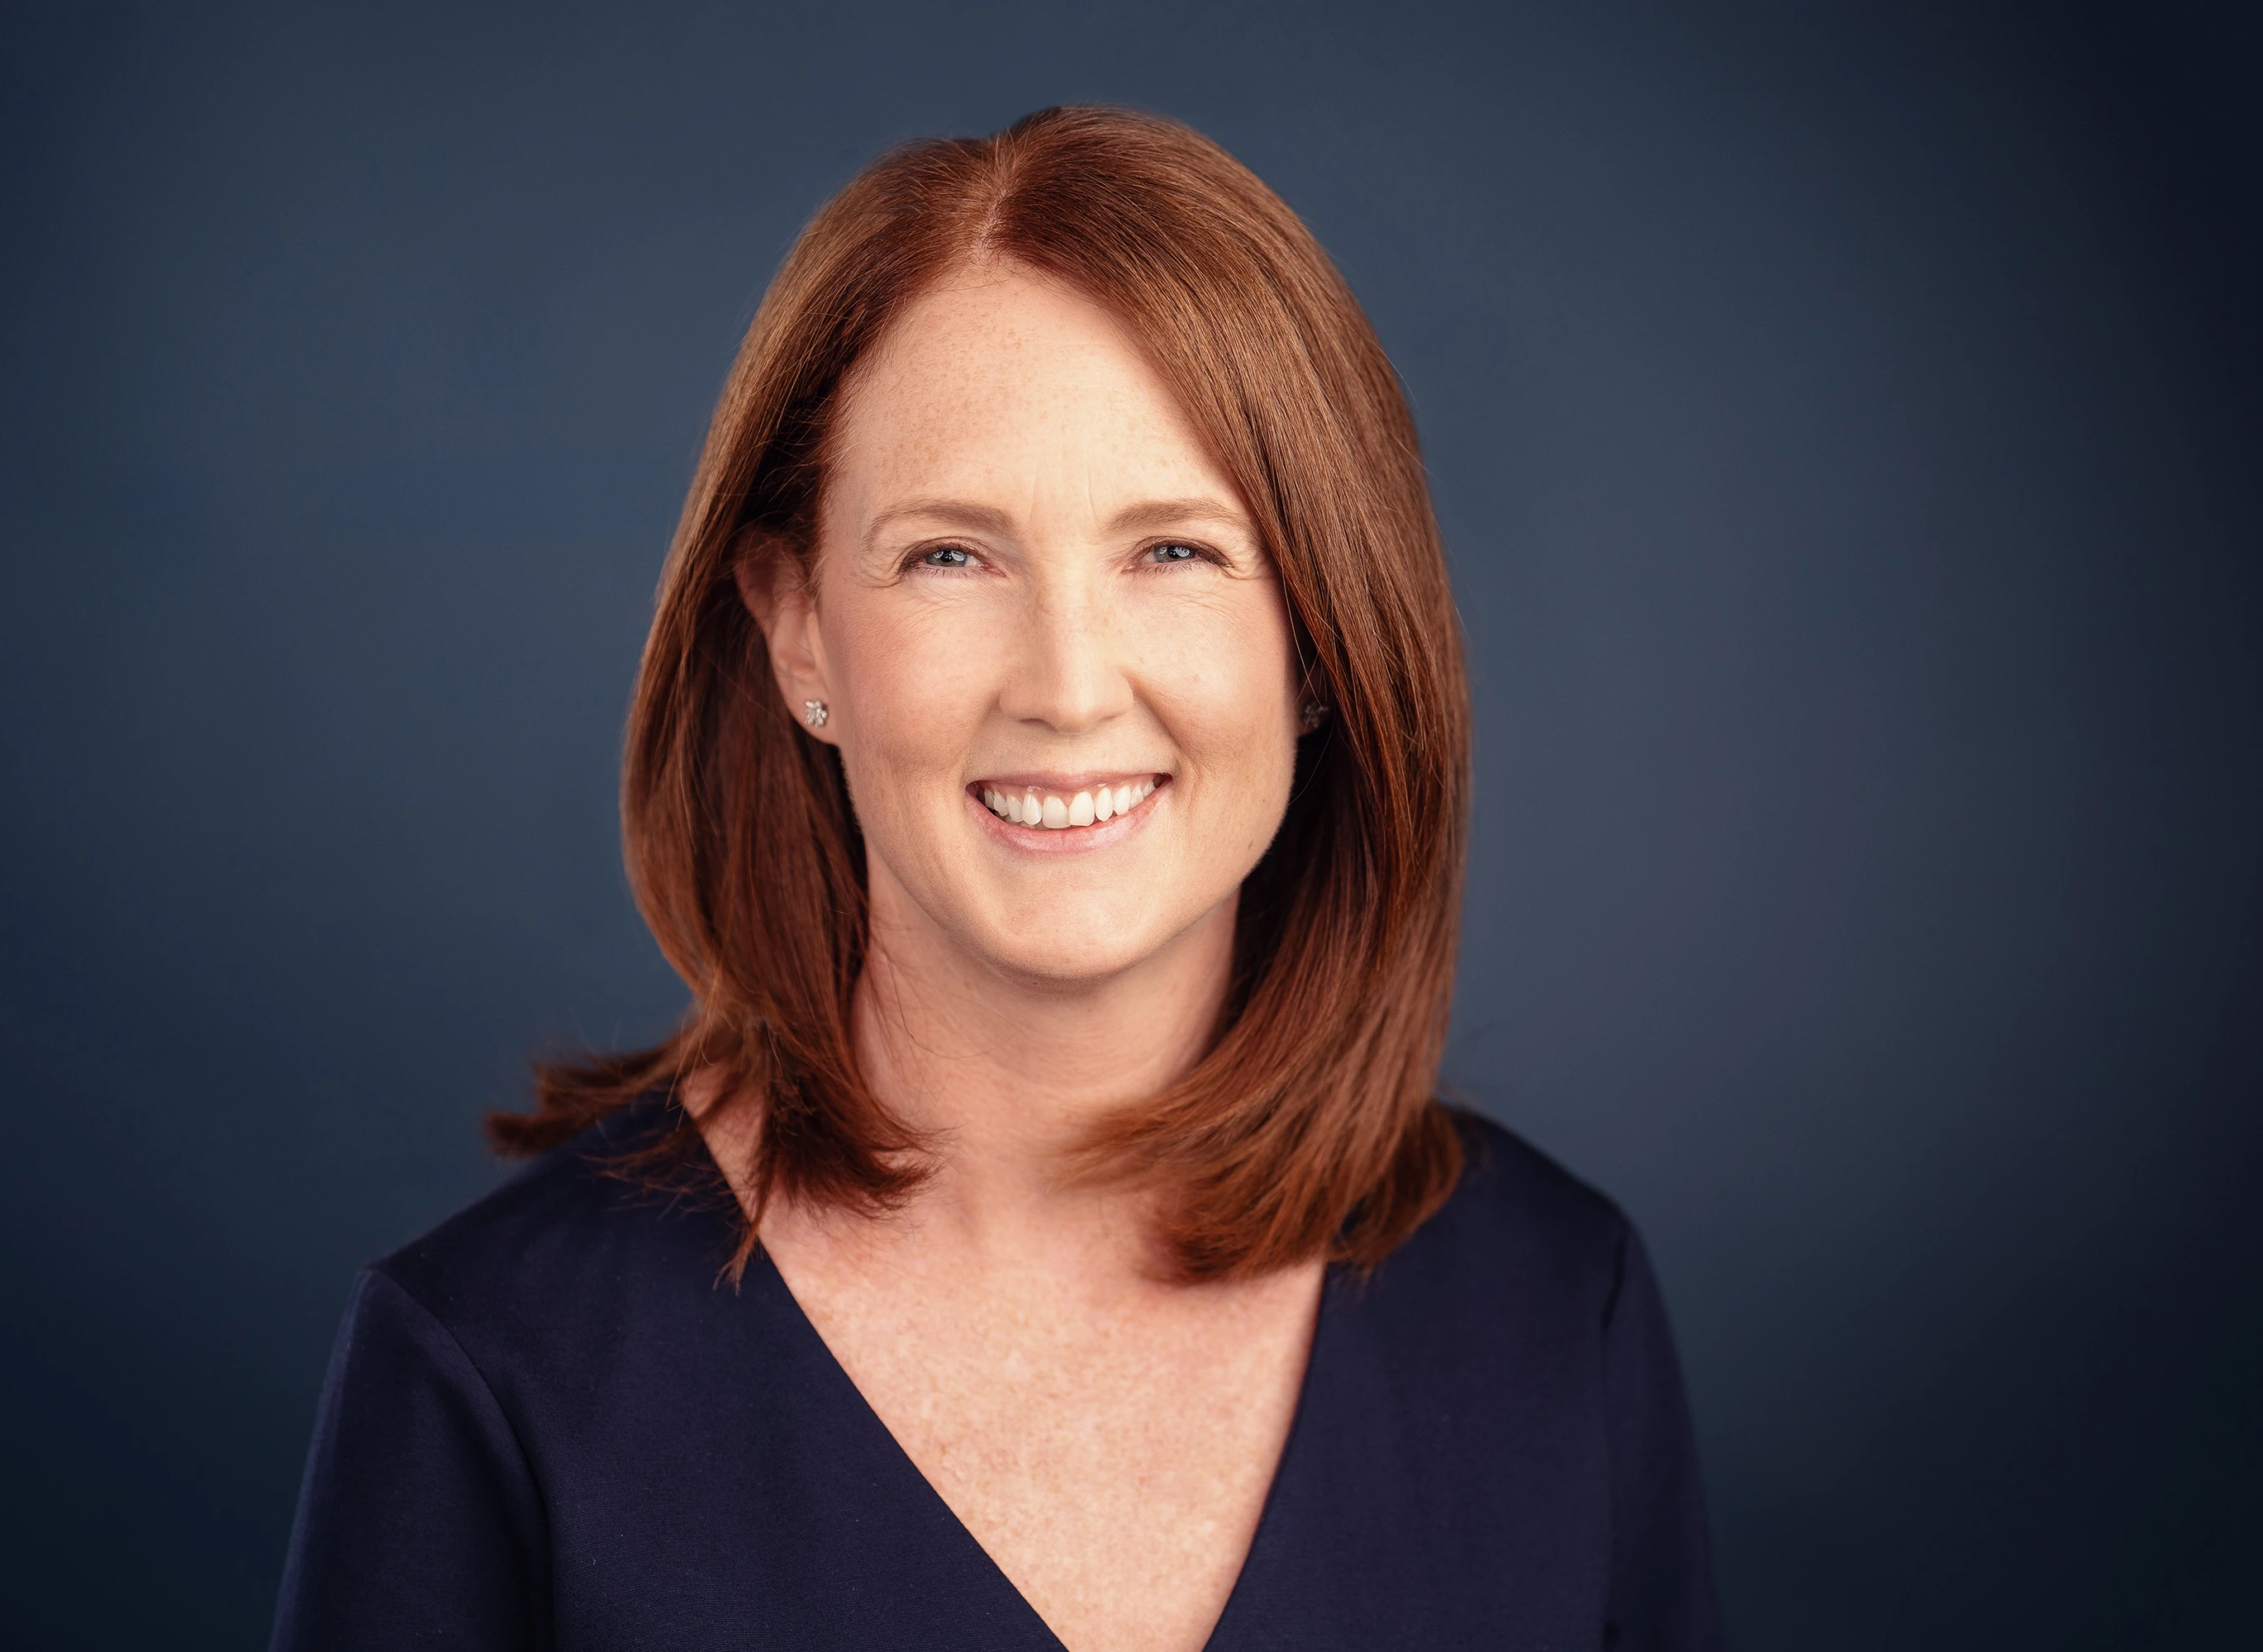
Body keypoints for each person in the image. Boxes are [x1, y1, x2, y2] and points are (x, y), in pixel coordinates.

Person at [270, 106, 1721, 1652]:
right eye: (952, 557)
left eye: (1174, 551)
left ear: (1318, 640)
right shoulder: (491, 1365)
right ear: (798, 631)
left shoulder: (1562, 1314)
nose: (1069, 687)